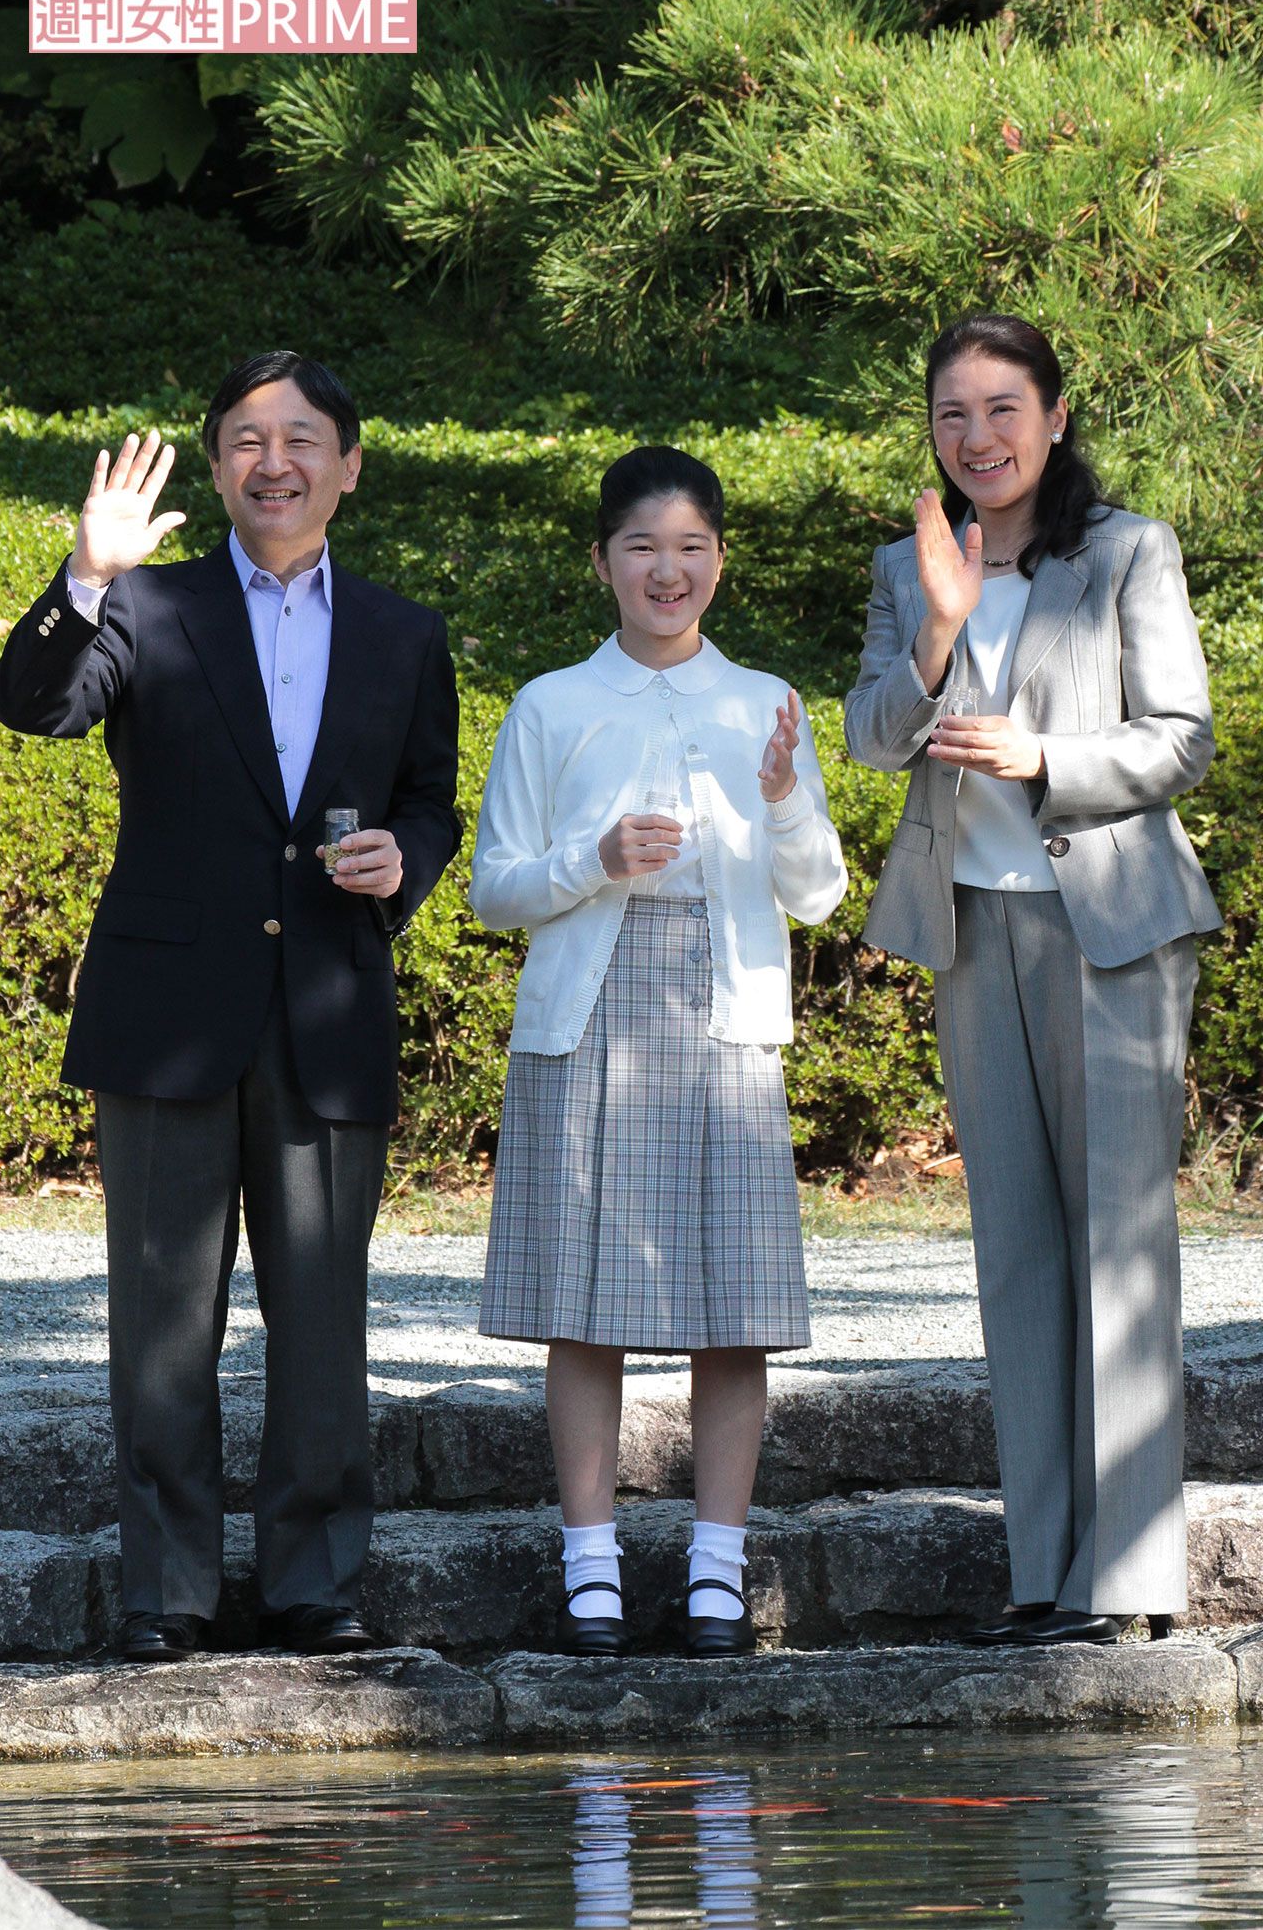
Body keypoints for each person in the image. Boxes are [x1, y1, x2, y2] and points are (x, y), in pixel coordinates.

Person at [0, 353, 460, 1661]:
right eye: (248, 439)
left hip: (326, 1000)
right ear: (216, 469)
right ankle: (169, 1592)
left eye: (303, 438)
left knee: (322, 1311)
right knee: (160, 1313)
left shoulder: (404, 632)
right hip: (168, 1006)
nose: (276, 461)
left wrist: (404, 865)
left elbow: (431, 801)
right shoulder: (146, 605)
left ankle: (314, 1578)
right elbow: (33, 706)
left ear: (349, 466)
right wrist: (86, 576)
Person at [844, 313, 1221, 1646]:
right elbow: (873, 734)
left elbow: (1182, 738)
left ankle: (1130, 1579)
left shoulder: (1124, 553)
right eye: (954, 414)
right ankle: (1045, 1569)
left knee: (1118, 1246)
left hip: (1111, 929)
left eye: (1004, 409)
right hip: (974, 928)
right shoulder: (912, 565)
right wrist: (940, 633)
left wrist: (1048, 761)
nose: (979, 437)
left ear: (1055, 417)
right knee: (1015, 1248)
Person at [470, 446, 847, 1657]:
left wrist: (784, 796)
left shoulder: (763, 702)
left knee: (729, 1309)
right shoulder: (550, 704)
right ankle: (589, 1564)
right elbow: (493, 890)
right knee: (584, 1304)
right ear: (601, 563)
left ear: (719, 563)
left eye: (689, 547)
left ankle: (715, 1570)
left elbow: (820, 892)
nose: (666, 569)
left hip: (725, 1016)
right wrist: (596, 863)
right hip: (587, 1016)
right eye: (641, 547)